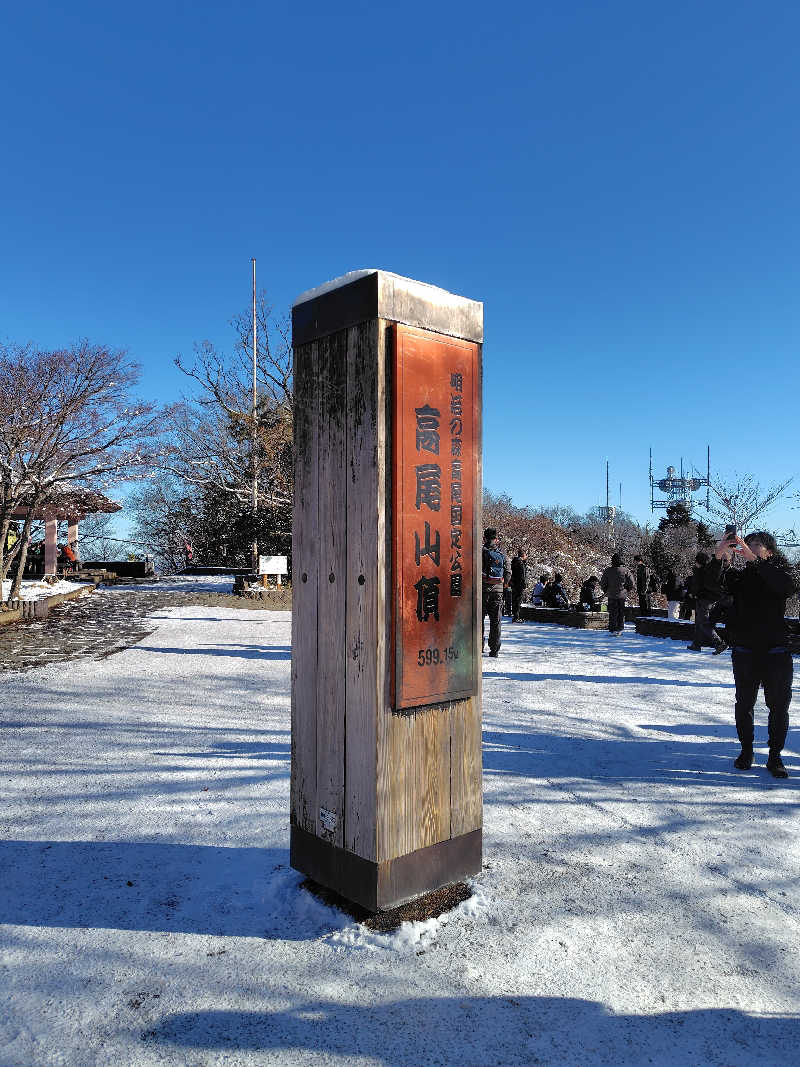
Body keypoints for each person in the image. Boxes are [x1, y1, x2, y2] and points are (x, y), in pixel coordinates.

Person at [705, 530, 797, 778]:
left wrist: (756, 562)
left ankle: (775, 756)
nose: (749, 547)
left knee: (778, 707)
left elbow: (786, 587)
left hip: (776, 651)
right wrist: (719, 556)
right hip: (745, 650)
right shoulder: (740, 577)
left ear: (770, 551)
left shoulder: (781, 571)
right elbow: (711, 589)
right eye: (748, 544)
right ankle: (746, 750)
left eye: (756, 545)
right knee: (744, 704)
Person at [686, 551, 725, 653]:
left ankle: (719, 642)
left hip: (703, 599)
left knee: (703, 623)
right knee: (699, 623)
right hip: (710, 599)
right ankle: (696, 644)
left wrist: (692, 593)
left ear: (699, 561)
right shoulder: (709, 570)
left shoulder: (701, 571)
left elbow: (697, 584)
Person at [482, 528, 510, 658]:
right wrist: (503, 585)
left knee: (478, 620)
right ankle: (494, 649)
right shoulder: (502, 553)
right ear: (496, 539)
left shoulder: (480, 552)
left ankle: (478, 646)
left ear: (484, 538)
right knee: (496, 621)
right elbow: (508, 572)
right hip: (497, 591)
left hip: (481, 591)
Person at [600, 552, 634, 635]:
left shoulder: (607, 571)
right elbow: (632, 583)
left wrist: (606, 590)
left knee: (612, 613)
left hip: (611, 595)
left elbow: (603, 583)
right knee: (621, 613)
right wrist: (626, 590)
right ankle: (620, 628)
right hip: (622, 595)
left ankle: (612, 629)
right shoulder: (626, 571)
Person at [510, 548, 528, 622]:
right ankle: (517, 617)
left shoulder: (514, 562)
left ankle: (515, 615)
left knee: (514, 600)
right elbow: (522, 575)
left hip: (514, 584)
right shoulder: (520, 563)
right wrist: (524, 584)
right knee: (518, 600)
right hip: (519, 584)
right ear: (523, 555)